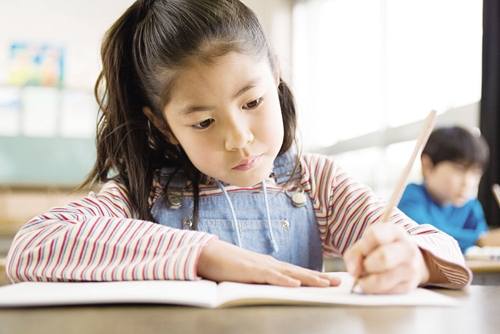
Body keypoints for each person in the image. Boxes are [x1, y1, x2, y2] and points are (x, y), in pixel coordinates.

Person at [6, 0, 470, 294]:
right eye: (204, 121)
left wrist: (414, 262)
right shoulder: (143, 193)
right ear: (166, 128)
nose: (239, 138)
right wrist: (204, 254)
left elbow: (440, 249)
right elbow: (31, 247)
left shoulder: (314, 183)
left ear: (276, 75)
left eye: (252, 101)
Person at [398, 126, 500, 253]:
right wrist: (479, 240)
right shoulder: (412, 196)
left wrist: (484, 240)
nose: (468, 183)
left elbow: (483, 245)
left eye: (476, 172)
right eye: (459, 169)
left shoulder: (471, 205)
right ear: (428, 166)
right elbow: (421, 234)